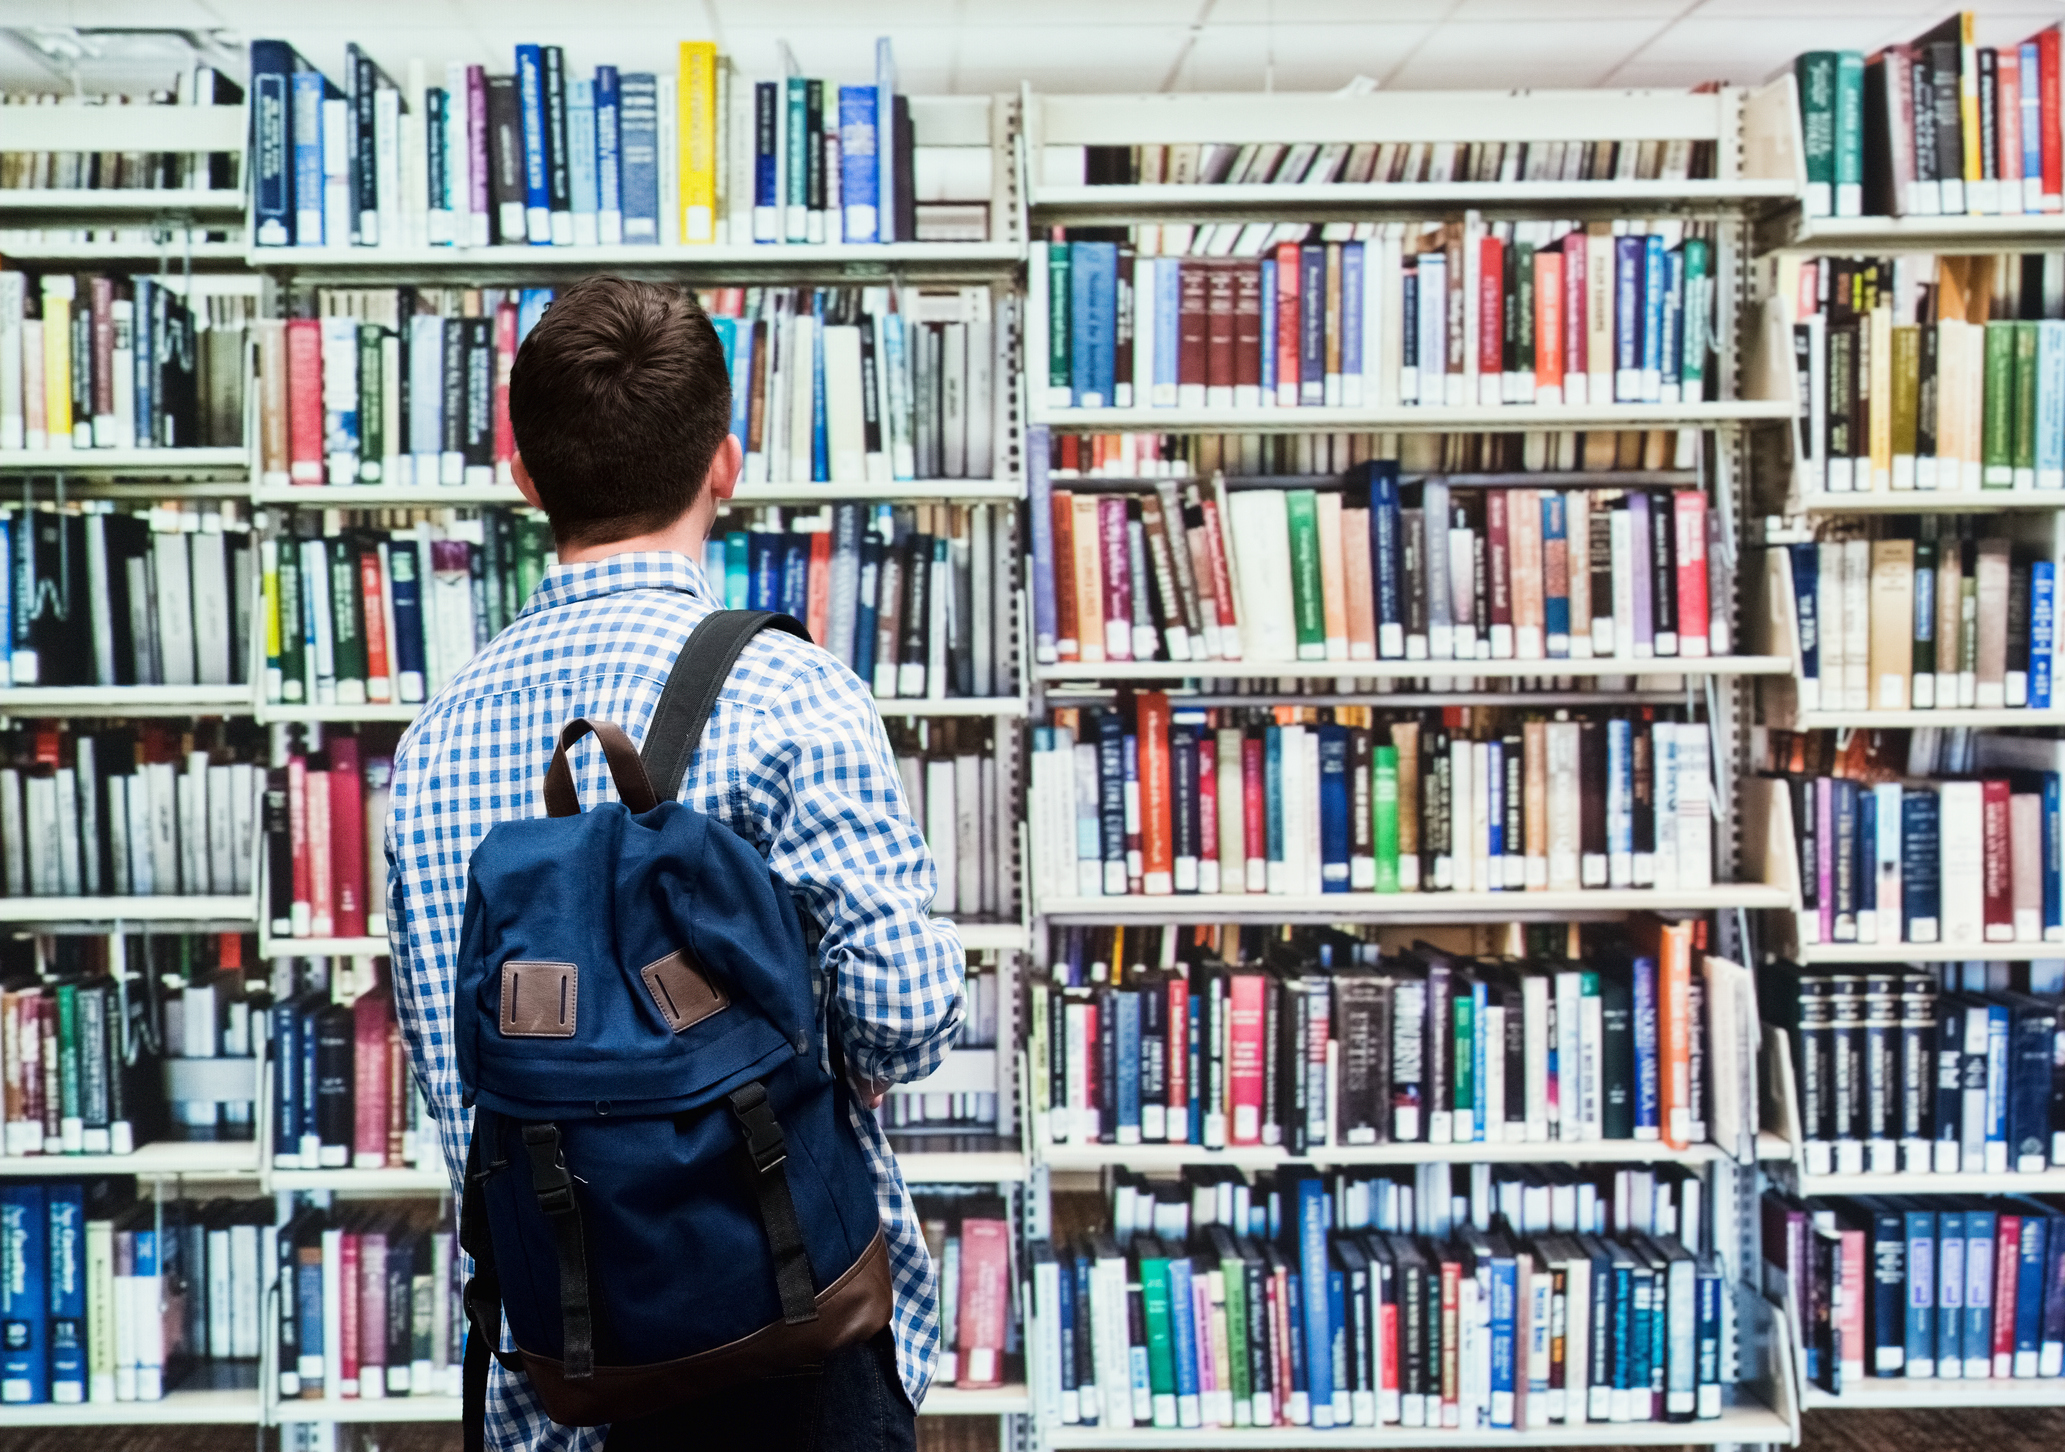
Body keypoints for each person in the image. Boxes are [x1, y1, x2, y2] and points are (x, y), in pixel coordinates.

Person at [383, 275, 964, 1452]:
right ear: (726, 465)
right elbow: (905, 1016)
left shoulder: (434, 740)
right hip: (790, 1338)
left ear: (525, 478)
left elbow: (458, 1075)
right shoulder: (793, 696)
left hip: (557, 1363)